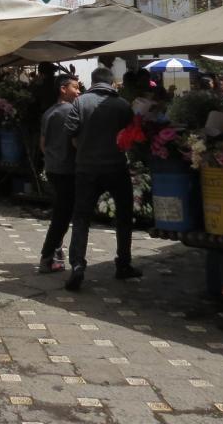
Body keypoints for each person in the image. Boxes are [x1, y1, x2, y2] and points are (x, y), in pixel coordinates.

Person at [64, 67, 142, 291]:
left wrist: (82, 146)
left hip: (86, 168)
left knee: (81, 218)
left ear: (93, 81)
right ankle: (123, 264)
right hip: (117, 167)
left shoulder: (80, 102)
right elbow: (132, 135)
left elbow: (69, 130)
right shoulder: (122, 105)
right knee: (124, 216)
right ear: (111, 83)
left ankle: (77, 265)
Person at [38, 74, 80, 273]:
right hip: (67, 169)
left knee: (61, 212)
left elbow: (43, 145)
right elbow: (76, 142)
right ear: (63, 89)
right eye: (75, 87)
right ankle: (47, 256)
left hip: (53, 168)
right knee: (63, 215)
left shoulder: (49, 113)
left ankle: (56, 254)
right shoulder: (73, 111)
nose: (79, 91)